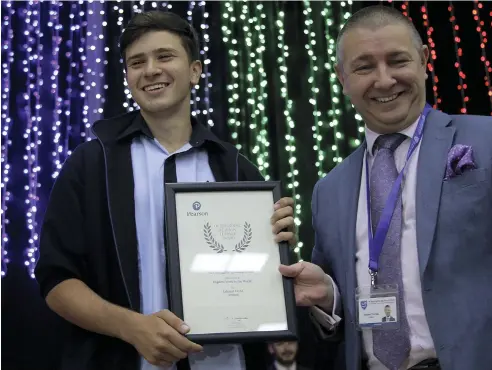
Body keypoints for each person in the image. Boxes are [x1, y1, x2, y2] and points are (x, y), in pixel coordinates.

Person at [35, 10, 296, 370]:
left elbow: (259, 276)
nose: (151, 70)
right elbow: (56, 280)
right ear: (127, 77)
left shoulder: (236, 168)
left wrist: (276, 247)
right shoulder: (92, 164)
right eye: (136, 62)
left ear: (195, 71)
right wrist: (133, 328)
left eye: (165, 56)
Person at [279, 5, 492, 370]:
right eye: (364, 67)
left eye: (397, 61)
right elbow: (341, 322)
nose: (384, 79)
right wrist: (330, 298)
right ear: (342, 78)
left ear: (424, 60)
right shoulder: (328, 191)